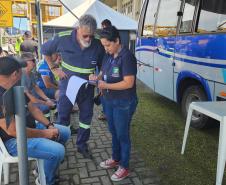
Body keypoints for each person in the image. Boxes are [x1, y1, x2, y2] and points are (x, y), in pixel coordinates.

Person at [41, 14, 105, 158]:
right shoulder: (62, 37)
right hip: (67, 86)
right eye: (85, 35)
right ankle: (60, 148)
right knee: (63, 118)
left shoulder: (98, 43)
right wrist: (54, 68)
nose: (88, 39)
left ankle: (82, 145)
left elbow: (103, 66)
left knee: (86, 118)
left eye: (91, 36)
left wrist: (98, 76)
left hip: (87, 88)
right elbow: (45, 51)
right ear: (78, 29)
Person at [0, 56, 71, 185]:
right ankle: (47, 181)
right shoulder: (2, 95)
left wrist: (48, 125)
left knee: (65, 132)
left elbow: (33, 108)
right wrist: (45, 134)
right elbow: (13, 131)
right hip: (12, 141)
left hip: (28, 128)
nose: (23, 74)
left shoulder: (14, 86)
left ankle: (42, 171)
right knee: (58, 150)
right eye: (20, 71)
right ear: (15, 74)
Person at [89, 26, 138, 181]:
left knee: (122, 134)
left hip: (123, 102)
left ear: (117, 40)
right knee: (114, 131)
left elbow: (129, 83)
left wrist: (106, 86)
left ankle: (124, 166)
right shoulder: (108, 55)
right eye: (103, 45)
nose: (106, 48)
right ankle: (116, 158)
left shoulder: (127, 57)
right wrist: (96, 77)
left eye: (108, 45)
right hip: (109, 101)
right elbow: (103, 72)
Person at [21, 52, 55, 118]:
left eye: (35, 60)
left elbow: (37, 88)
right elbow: (30, 98)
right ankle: (44, 125)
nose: (35, 62)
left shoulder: (31, 74)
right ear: (25, 62)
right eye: (33, 60)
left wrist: (47, 99)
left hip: (33, 100)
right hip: (26, 104)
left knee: (53, 103)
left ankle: (49, 124)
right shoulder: (21, 76)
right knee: (45, 108)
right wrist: (45, 102)